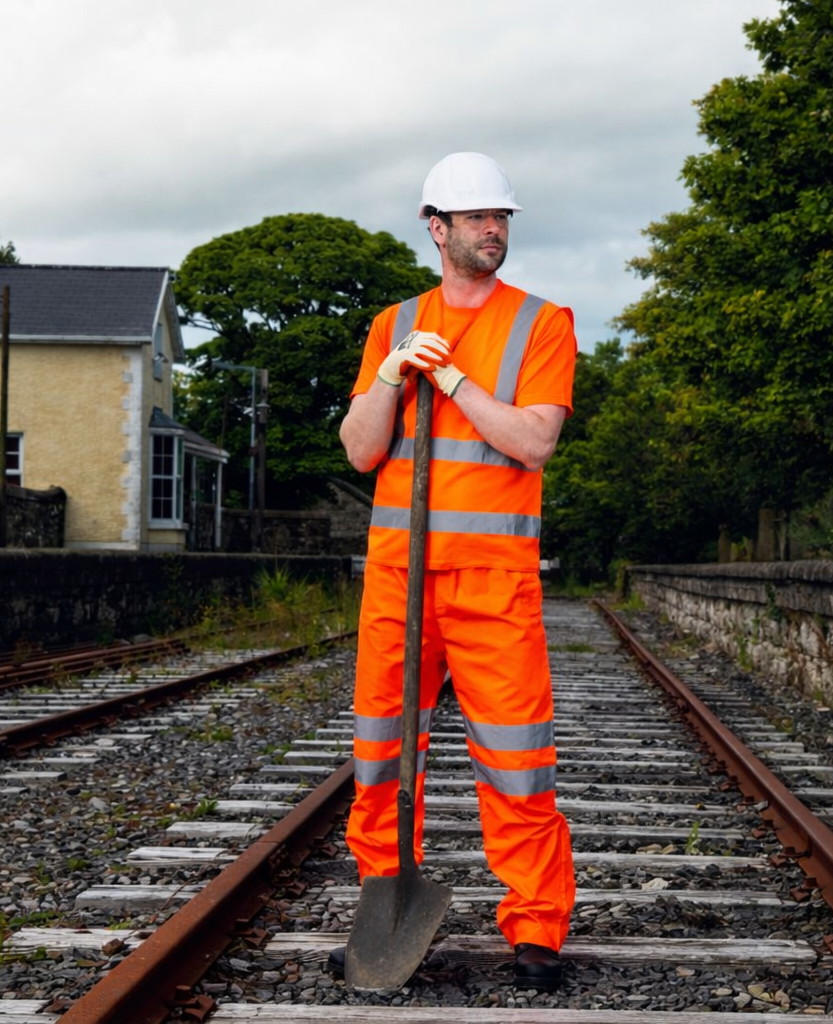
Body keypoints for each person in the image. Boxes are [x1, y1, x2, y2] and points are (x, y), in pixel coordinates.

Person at [337, 152, 577, 991]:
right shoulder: (392, 323)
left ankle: (537, 929)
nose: (493, 229)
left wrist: (454, 378)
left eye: (501, 217)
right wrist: (396, 376)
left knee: (516, 759)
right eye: (476, 218)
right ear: (435, 227)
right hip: (398, 580)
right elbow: (363, 450)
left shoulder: (542, 323)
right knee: (379, 753)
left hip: (492, 579)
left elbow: (534, 441)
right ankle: (384, 898)